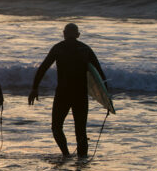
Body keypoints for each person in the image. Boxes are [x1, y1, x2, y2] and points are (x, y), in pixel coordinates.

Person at [28, 23, 107, 158]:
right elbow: (100, 75)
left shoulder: (58, 48)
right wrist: (106, 99)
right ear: (78, 35)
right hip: (80, 94)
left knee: (56, 127)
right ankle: (82, 162)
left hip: (63, 94)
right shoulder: (85, 49)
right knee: (81, 131)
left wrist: (35, 88)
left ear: (64, 34)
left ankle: (66, 155)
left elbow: (43, 68)